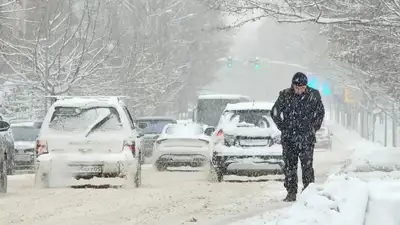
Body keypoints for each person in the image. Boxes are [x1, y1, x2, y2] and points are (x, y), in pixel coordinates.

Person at [271, 72, 325, 202]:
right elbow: (275, 112)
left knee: (307, 166)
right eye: (297, 88)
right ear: (293, 86)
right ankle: (291, 192)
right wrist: (283, 127)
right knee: (290, 166)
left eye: (303, 88)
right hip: (289, 138)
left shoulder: (314, 95)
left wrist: (313, 128)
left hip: (307, 138)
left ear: (306, 86)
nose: (300, 90)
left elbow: (320, 113)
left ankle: (308, 191)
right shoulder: (285, 95)